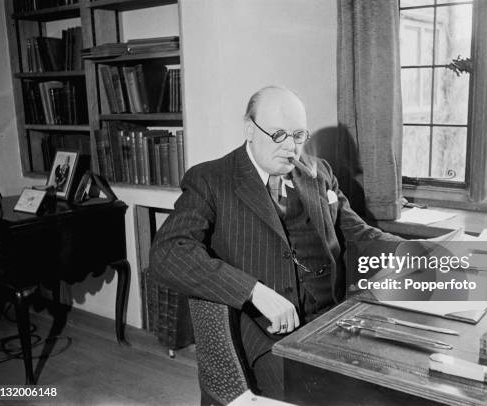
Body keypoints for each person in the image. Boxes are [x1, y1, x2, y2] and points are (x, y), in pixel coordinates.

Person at [149, 86, 402, 400]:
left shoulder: (318, 173)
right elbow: (167, 253)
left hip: (332, 323)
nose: (290, 148)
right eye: (278, 134)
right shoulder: (211, 180)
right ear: (249, 130)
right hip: (264, 338)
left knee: (395, 384)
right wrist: (252, 290)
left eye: (298, 135)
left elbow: (359, 234)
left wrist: (427, 255)